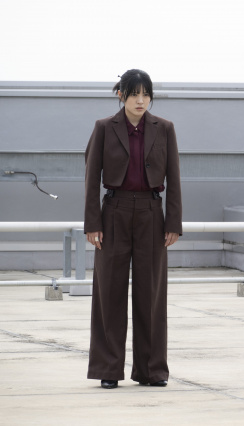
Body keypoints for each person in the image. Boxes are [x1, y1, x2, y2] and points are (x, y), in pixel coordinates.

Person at [84, 69, 182, 389]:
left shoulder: (164, 128)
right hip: (114, 212)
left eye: (146, 94)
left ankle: (152, 370)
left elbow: (174, 177)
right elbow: (91, 177)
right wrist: (93, 223)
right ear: (121, 95)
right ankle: (108, 369)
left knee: (150, 293)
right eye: (134, 94)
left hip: (152, 215)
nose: (141, 100)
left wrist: (173, 222)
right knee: (109, 292)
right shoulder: (104, 128)